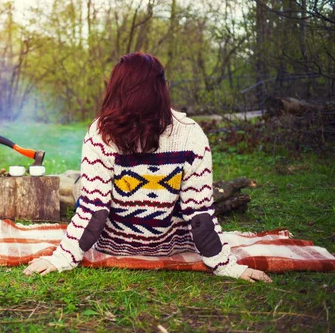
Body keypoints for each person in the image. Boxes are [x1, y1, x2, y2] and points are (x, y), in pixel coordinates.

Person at [24, 52, 272, 283]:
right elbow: (199, 212)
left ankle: (70, 179)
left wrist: (61, 258)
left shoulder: (100, 132)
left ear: (116, 88)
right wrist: (227, 265)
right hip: (172, 244)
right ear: (161, 88)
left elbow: (93, 210)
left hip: (113, 243)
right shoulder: (191, 133)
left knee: (80, 190)